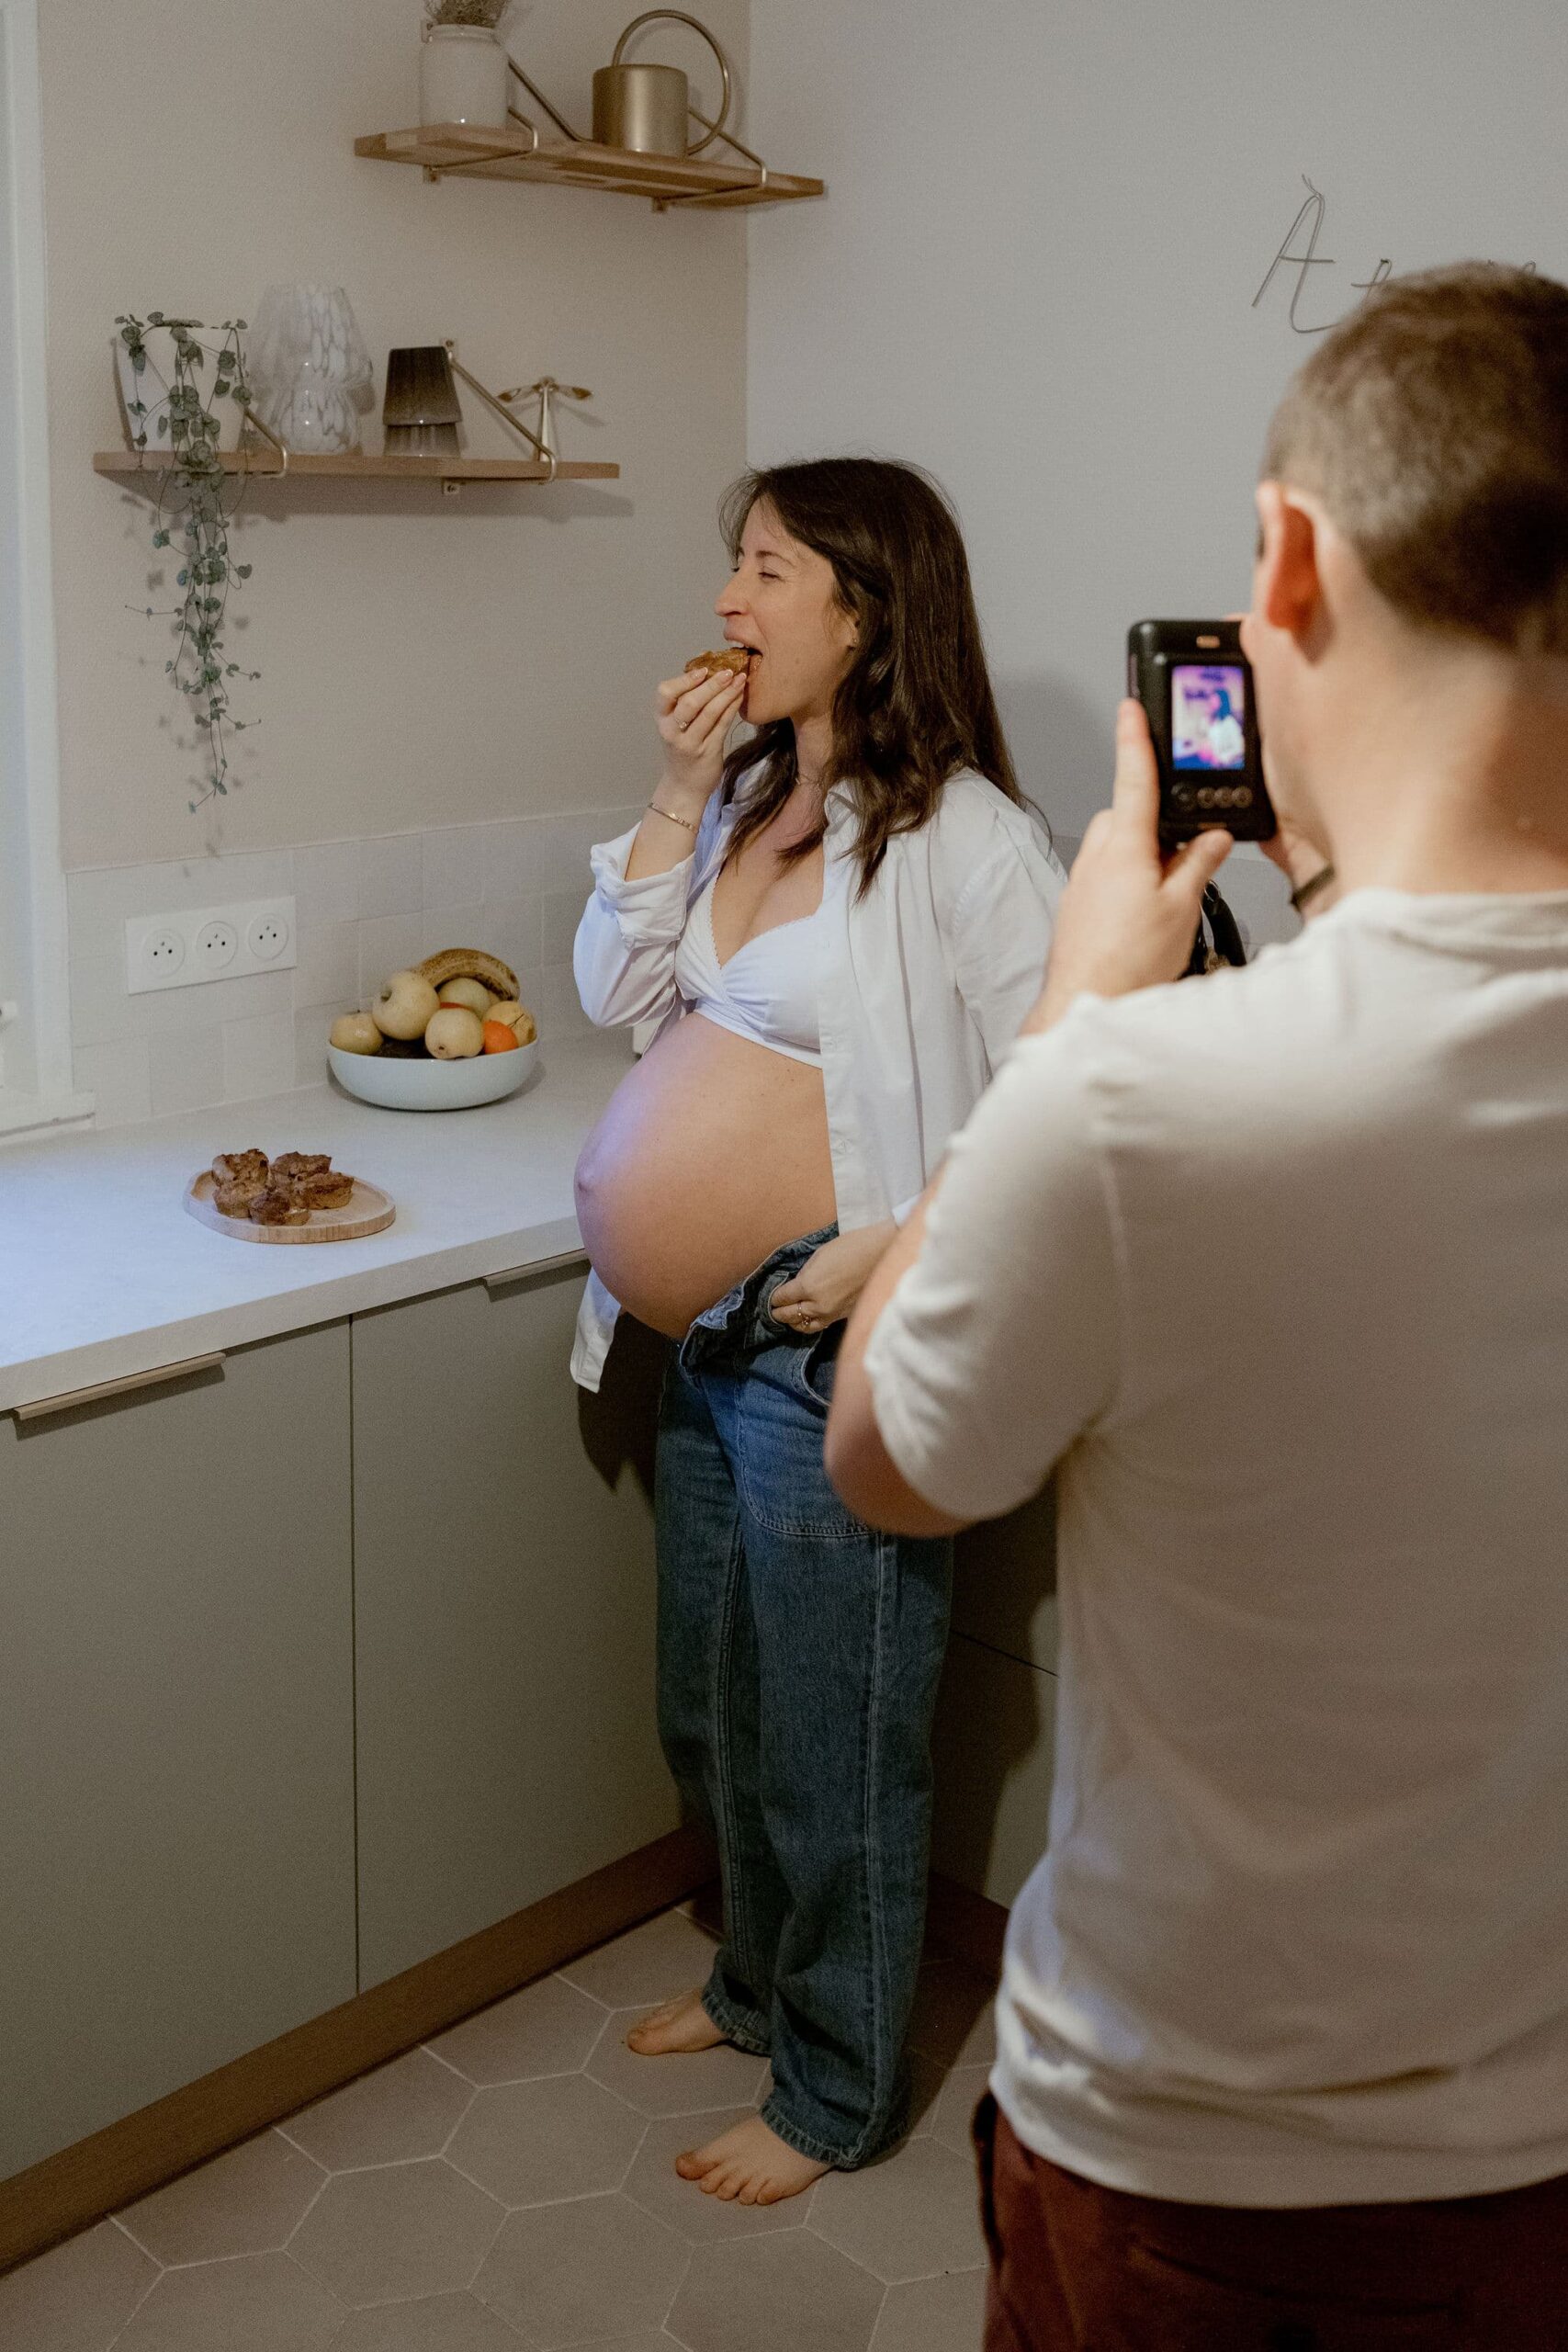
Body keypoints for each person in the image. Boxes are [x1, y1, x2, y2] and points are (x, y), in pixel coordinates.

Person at [826, 264, 1568, 2345]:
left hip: (1199, 2172)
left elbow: (885, 1463)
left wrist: (1065, 1015)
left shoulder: (1138, 1107)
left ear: (1287, 561)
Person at [570, 458, 1065, 2204]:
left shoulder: (974, 841)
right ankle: (759, 1987)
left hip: (826, 1349)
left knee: (834, 1727)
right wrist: (673, 786)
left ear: (862, 606)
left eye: (764, 568)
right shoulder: (752, 793)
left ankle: (839, 2090)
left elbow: (1073, 1098)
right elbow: (618, 992)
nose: (727, 602)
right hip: (695, 1343)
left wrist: (889, 1252)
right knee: (715, 1705)